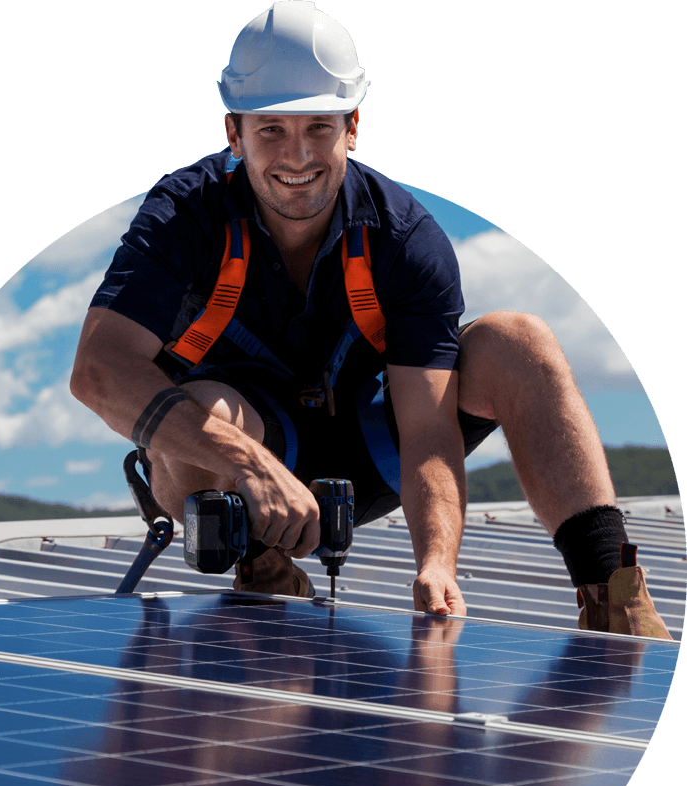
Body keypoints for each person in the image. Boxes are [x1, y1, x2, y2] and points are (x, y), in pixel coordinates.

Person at [70, 0, 670, 640]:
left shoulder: (405, 238)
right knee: (208, 408)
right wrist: (252, 467)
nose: (296, 155)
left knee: (518, 341)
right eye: (270, 129)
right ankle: (264, 564)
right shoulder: (182, 216)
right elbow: (98, 371)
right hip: (233, 463)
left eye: (318, 128)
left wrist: (437, 563)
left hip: (372, 452)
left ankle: (615, 595)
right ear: (232, 134)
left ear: (352, 127)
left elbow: (429, 429)